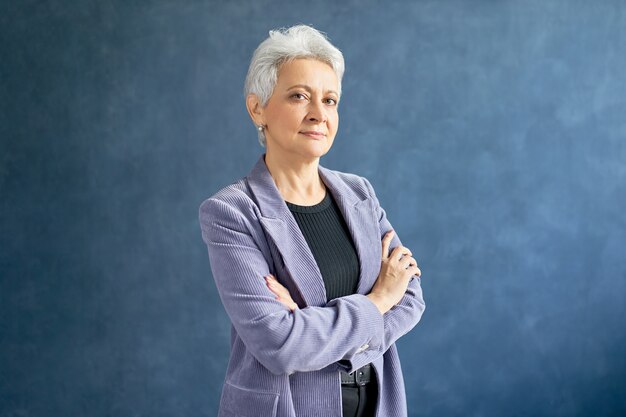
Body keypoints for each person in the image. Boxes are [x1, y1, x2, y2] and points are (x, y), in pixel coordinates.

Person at [198, 24, 425, 417]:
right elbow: (281, 344)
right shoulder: (231, 213)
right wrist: (377, 301)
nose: (319, 114)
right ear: (257, 108)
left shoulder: (360, 195)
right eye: (299, 96)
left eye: (331, 100)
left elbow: (410, 297)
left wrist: (309, 324)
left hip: (377, 404)